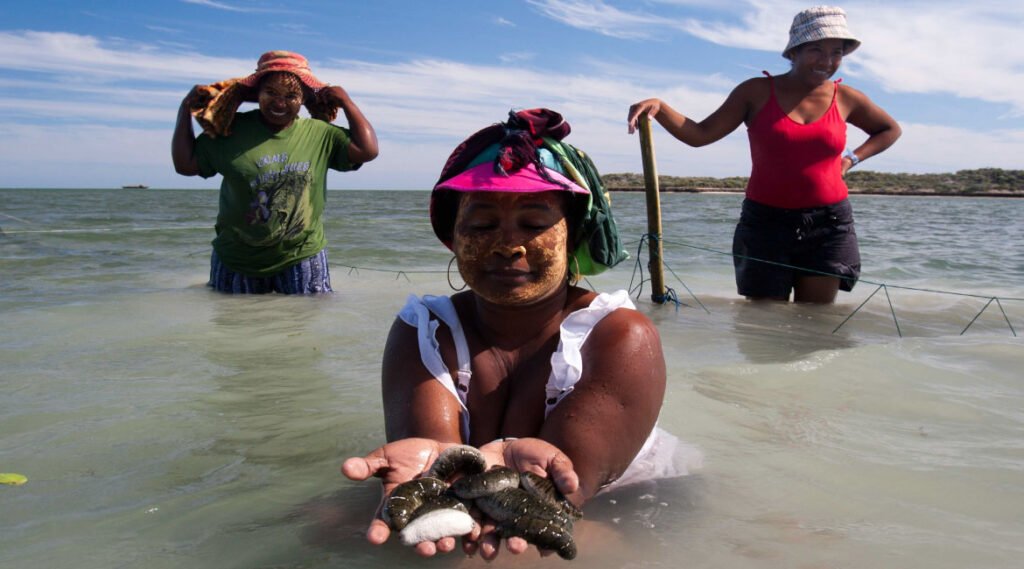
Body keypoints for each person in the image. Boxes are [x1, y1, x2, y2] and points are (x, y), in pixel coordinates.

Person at [342, 109, 696, 559]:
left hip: (634, 495)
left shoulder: (620, 335)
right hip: (494, 490)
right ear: (453, 236)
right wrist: (440, 479)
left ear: (573, 236)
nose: (508, 245)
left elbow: (564, 486)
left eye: (533, 225)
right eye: (482, 225)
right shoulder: (425, 330)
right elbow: (440, 464)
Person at [627, 6, 901, 303]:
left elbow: (889, 130)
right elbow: (700, 135)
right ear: (794, 50)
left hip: (829, 225)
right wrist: (661, 107)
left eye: (837, 52)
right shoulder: (754, 92)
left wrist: (851, 159)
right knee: (764, 324)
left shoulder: (847, 97)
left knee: (816, 322)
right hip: (765, 224)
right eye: (816, 49)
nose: (827, 61)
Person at [172, 50, 378, 294]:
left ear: (302, 99)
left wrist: (347, 102)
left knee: (303, 329)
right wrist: (185, 109)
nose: (280, 103)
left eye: (291, 96)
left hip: (302, 256)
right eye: (271, 93)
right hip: (237, 259)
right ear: (257, 93)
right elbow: (185, 165)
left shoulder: (320, 133)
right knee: (235, 329)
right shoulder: (231, 130)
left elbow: (368, 150)